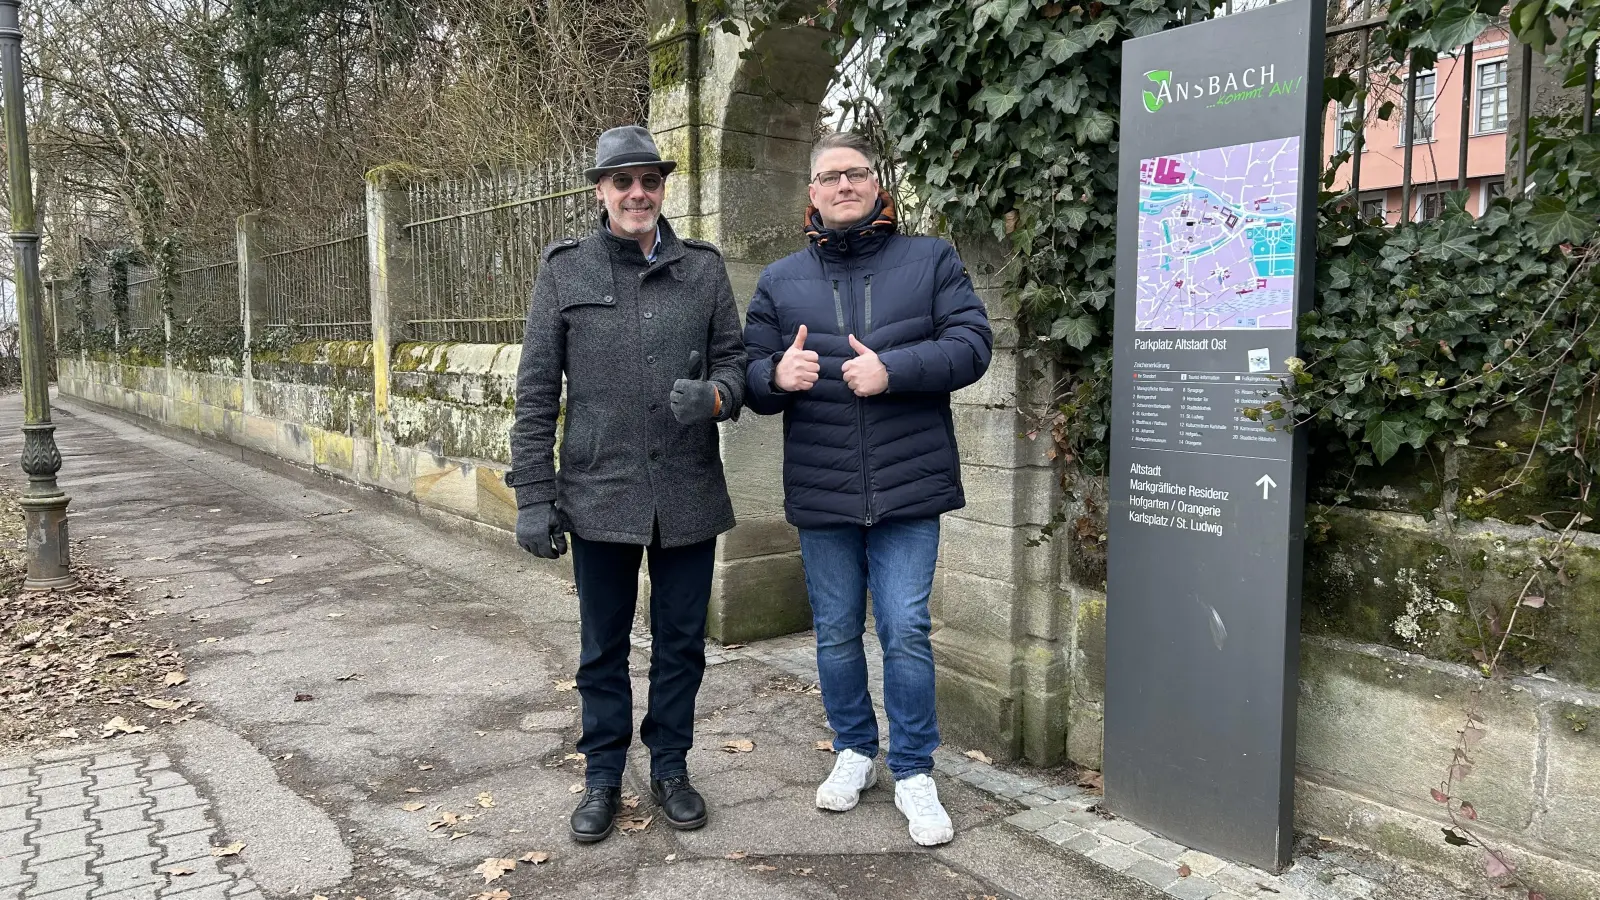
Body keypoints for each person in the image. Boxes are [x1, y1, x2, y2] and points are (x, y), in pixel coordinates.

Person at [742, 131, 993, 846]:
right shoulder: (779, 279)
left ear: (878, 184)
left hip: (909, 485)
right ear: (812, 192)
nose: (843, 185)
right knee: (835, 632)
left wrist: (895, 370)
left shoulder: (931, 258)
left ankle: (914, 768)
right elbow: (748, 370)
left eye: (856, 173)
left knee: (906, 629)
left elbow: (973, 345)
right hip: (823, 490)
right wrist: (772, 380)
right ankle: (856, 749)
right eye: (829, 176)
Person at [507, 125, 746, 843]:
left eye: (649, 180)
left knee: (682, 644)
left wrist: (715, 397)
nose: (638, 193)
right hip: (599, 494)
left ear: (663, 187)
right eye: (623, 182)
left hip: (688, 492)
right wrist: (533, 495)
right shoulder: (564, 270)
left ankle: (671, 766)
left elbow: (737, 363)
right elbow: (536, 393)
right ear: (600, 191)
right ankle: (603, 775)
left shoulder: (703, 270)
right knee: (601, 647)